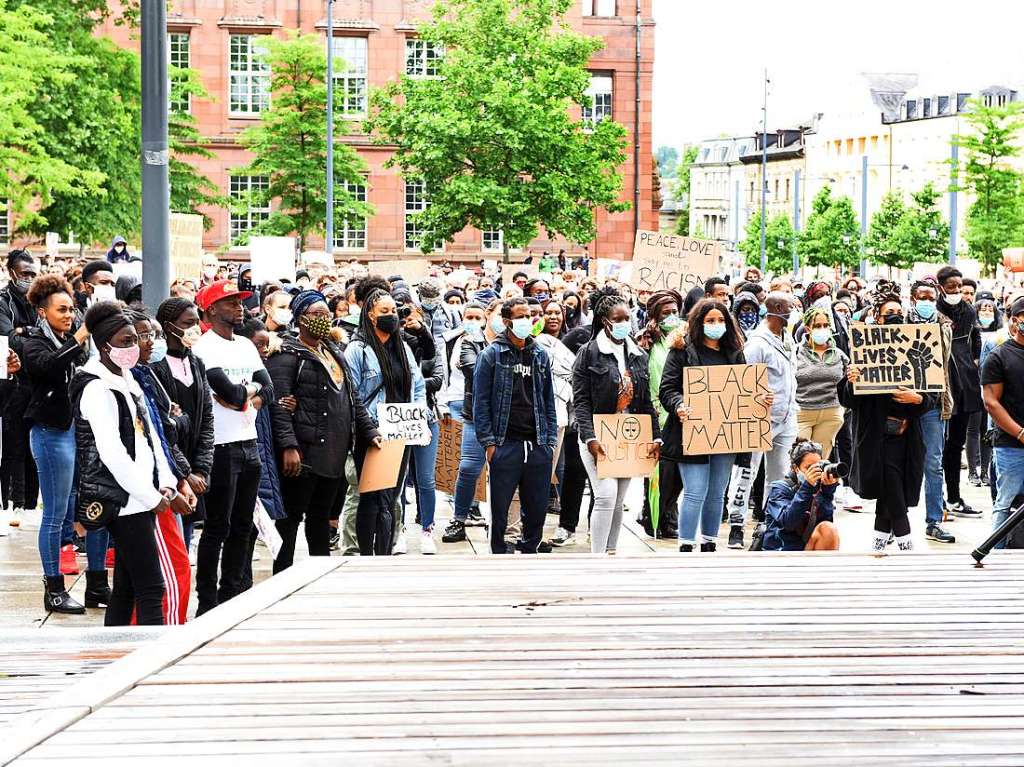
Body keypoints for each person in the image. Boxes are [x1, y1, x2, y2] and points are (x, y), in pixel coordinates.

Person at [71, 302, 190, 626]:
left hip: (143, 497)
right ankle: (147, 662)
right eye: (125, 342)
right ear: (103, 345)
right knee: (152, 587)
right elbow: (113, 455)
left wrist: (166, 482)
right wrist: (155, 500)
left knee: (125, 587)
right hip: (126, 502)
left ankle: (112, 657)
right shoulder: (95, 387)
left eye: (133, 340)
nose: (133, 348)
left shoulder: (127, 379)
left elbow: (151, 439)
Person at [266, 290, 380, 571]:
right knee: (290, 521)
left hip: (333, 453)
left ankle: (318, 575)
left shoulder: (334, 352)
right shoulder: (287, 354)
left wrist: (370, 432)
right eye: (316, 315)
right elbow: (279, 407)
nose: (323, 320)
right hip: (303, 454)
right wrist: (289, 446)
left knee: (321, 520)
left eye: (326, 315)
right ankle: (283, 576)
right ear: (301, 318)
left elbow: (353, 401)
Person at [192, 280, 275, 615]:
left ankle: (233, 593)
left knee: (243, 525)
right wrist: (247, 394)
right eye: (230, 302)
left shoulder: (245, 345)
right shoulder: (205, 347)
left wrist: (247, 395)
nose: (239, 307)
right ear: (212, 310)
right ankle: (208, 600)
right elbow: (231, 393)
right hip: (221, 447)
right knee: (217, 527)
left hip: (248, 443)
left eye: (240, 302)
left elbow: (266, 389)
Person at [840, 282, 934, 552]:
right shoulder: (862, 350)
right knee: (891, 482)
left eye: (898, 311)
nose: (895, 315)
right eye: (888, 312)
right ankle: (905, 542)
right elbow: (848, 400)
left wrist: (918, 399)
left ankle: (879, 542)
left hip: (906, 434)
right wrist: (852, 380)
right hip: (875, 435)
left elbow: (932, 394)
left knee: (893, 487)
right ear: (877, 317)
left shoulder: (917, 344)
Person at [24, 275, 96, 613]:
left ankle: (97, 583)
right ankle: (53, 588)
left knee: (91, 506)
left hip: (77, 432)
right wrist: (80, 338)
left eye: (72, 309)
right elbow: (48, 368)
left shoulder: (72, 341)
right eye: (61, 310)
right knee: (54, 514)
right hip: (51, 433)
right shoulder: (34, 342)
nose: (69, 315)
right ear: (42, 312)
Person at [660, 300, 756, 552]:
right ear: (699, 323)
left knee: (717, 492)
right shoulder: (681, 351)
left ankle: (709, 544)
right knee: (695, 491)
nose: (716, 325)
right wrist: (679, 404)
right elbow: (667, 389)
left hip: (725, 435)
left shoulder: (734, 353)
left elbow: (744, 390)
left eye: (721, 320)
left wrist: (760, 398)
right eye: (710, 321)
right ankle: (687, 545)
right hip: (690, 431)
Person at [573, 287, 661, 554]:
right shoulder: (588, 353)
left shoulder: (638, 356)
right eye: (618, 319)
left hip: (629, 435)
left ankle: (611, 551)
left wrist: (655, 436)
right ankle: (598, 556)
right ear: (604, 321)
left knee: (619, 497)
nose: (625, 323)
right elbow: (581, 401)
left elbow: (646, 402)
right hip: (598, 435)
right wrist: (590, 437)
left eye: (627, 318)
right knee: (606, 494)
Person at [473, 297, 558, 554]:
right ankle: (499, 553)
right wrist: (489, 444)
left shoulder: (540, 354)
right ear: (507, 321)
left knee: (536, 508)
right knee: (500, 511)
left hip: (537, 444)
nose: (527, 321)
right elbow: (481, 402)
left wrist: (550, 442)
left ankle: (530, 551)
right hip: (504, 443)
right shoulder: (491, 355)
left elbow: (548, 399)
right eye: (521, 316)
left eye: (530, 315)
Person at [345, 287, 426, 555]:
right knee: (371, 498)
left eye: (393, 311)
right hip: (373, 434)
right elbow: (352, 393)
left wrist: (418, 416)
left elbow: (416, 385)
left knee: (391, 498)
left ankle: (385, 552)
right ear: (370, 315)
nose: (391, 316)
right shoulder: (358, 350)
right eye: (384, 311)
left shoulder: (402, 347)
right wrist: (369, 428)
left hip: (400, 432)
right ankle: (367, 554)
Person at [129, 310, 195, 625]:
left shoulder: (140, 377)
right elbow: (133, 451)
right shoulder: (109, 385)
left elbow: (161, 439)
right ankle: (165, 640)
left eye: (151, 335)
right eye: (141, 336)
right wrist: (161, 493)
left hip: (161, 486)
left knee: (136, 587)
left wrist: (178, 478)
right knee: (171, 575)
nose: (149, 343)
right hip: (148, 496)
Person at [724, 292, 799, 550]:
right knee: (747, 471)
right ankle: (736, 523)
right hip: (759, 417)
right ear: (777, 309)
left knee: (779, 475)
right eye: (789, 306)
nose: (793, 310)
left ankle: (769, 523)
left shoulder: (787, 339)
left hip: (786, 416)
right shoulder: (757, 344)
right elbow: (743, 382)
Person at [634, 288, 684, 540]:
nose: (672, 317)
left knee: (677, 474)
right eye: (666, 313)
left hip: (678, 412)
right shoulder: (646, 341)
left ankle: (667, 515)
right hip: (653, 412)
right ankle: (654, 515)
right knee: (658, 473)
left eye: (675, 311)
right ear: (655, 315)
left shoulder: (685, 336)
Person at [935, 266, 983, 518]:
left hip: (964, 384)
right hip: (939, 386)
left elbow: (975, 337)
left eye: (958, 286)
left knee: (956, 444)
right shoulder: (933, 311)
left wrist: (973, 361)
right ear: (941, 286)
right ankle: (937, 500)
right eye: (951, 287)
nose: (955, 291)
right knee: (936, 448)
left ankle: (953, 496)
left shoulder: (968, 311)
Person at [439, 302, 489, 543]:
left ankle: (500, 522)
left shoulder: (513, 344)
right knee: (467, 467)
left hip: (502, 415)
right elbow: (466, 370)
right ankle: (459, 518)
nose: (473, 321)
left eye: (478, 316)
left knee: (503, 470)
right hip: (467, 409)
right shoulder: (459, 342)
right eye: (469, 316)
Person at [0, 250, 40, 521]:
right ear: (12, 272)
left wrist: (23, 332)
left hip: (37, 386)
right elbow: (7, 340)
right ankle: (12, 503)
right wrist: (28, 336)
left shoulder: (39, 301)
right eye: (24, 274)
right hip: (11, 386)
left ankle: (29, 504)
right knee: (12, 447)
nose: (29, 279)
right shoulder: (3, 302)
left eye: (33, 274)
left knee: (33, 449)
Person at [981, 297, 1024, 546]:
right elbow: (991, 402)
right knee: (1006, 504)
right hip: (1011, 444)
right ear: (1014, 321)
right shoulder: (999, 356)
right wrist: (1019, 433)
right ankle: (995, 554)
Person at [761, 439, 840, 552]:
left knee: (828, 529)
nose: (814, 472)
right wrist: (807, 486)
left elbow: (824, 522)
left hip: (805, 550)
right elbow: (788, 523)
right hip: (780, 552)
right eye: (809, 468)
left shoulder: (818, 488)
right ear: (795, 468)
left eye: (817, 467)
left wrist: (827, 492)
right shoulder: (779, 489)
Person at [795, 306, 848, 459]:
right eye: (817, 326)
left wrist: (842, 409)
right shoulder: (795, 352)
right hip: (802, 414)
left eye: (826, 325)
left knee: (819, 461)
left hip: (831, 414)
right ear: (807, 328)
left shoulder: (839, 354)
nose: (822, 329)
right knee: (800, 461)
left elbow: (848, 382)